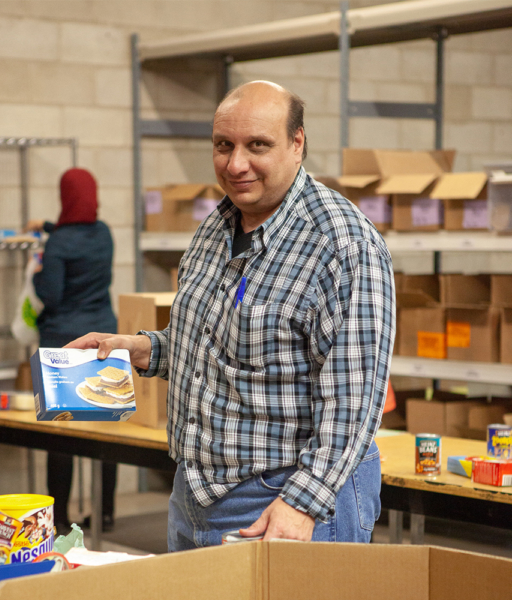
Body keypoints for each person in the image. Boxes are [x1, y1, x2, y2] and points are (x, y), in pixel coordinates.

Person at [67, 81, 396, 550]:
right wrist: (144, 348)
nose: (236, 163)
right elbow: (213, 343)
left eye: (257, 145)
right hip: (194, 494)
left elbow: (354, 400)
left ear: (297, 142)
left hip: (284, 501)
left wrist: (301, 504)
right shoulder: (213, 230)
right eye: (224, 146)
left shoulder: (342, 244)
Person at [27, 167, 118, 536]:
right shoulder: (104, 233)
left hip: (63, 340)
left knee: (61, 433)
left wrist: (36, 272)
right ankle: (106, 513)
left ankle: (60, 517)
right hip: (102, 338)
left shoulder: (58, 244)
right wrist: (49, 227)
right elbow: (75, 233)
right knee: (104, 427)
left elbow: (50, 293)